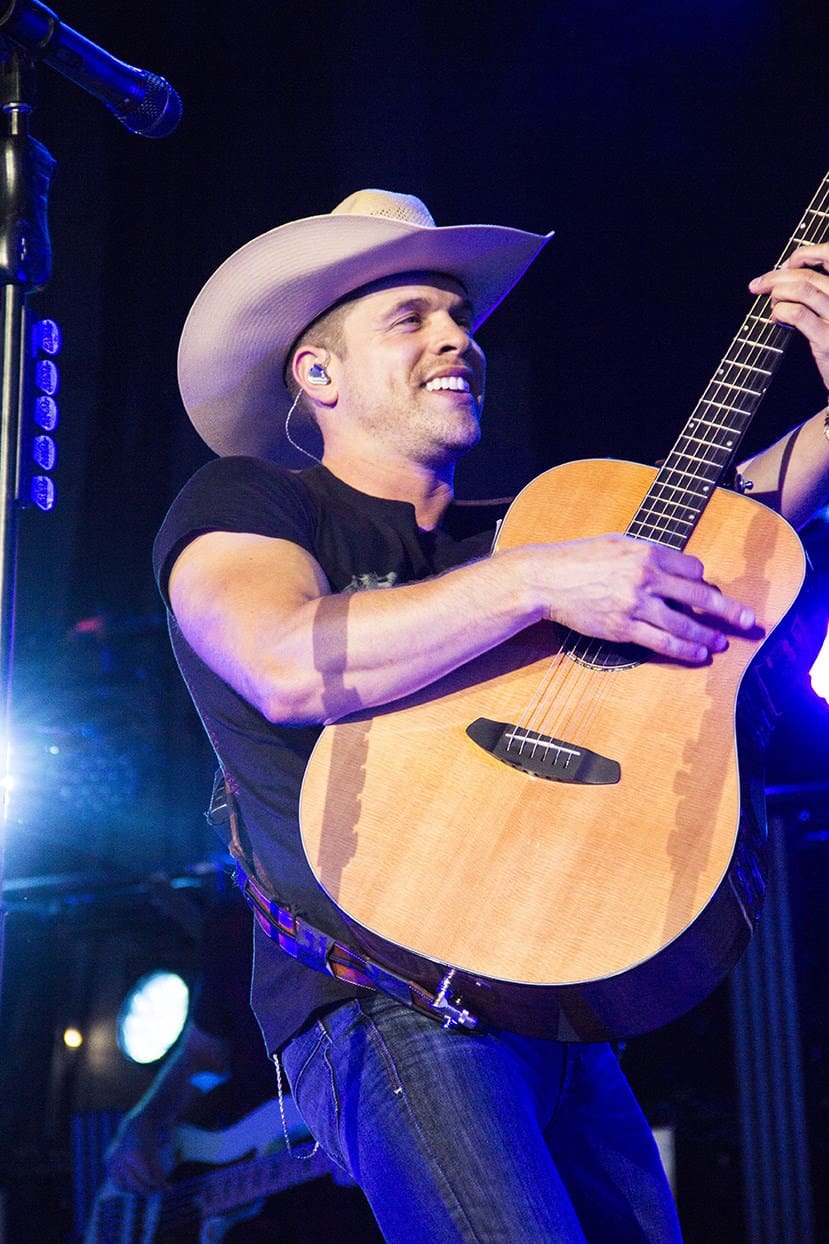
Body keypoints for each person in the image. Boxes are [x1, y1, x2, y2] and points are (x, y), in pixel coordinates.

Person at [153, 188, 829, 1242]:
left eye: (460, 317)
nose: (455, 338)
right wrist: (537, 580)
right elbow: (285, 662)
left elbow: (736, 522)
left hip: (561, 1011)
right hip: (381, 1002)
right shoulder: (253, 501)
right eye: (410, 317)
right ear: (318, 374)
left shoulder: (528, 531)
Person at [102, 887, 384, 1241]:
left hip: (359, 1178)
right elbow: (203, 1053)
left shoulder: (352, 892)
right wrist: (144, 1120)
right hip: (266, 1202)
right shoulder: (230, 920)